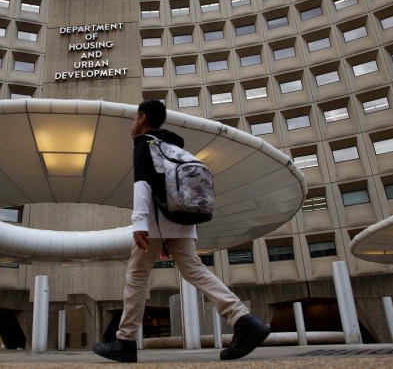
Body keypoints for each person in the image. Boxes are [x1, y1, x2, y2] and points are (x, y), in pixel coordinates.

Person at [93, 100, 270, 363]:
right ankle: (244, 320)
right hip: (183, 220)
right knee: (195, 270)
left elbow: (142, 184)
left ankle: (125, 341)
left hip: (155, 220)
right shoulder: (172, 145)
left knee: (137, 275)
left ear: (142, 118)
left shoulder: (145, 143)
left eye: (133, 119)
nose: (132, 125)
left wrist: (140, 224)